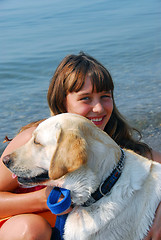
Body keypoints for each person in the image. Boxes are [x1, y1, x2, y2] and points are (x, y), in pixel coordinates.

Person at [0, 52, 161, 240]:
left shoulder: (120, 150)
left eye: (105, 96)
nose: (99, 108)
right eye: (86, 98)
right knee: (32, 228)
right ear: (63, 101)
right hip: (29, 230)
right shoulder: (33, 139)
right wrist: (42, 199)